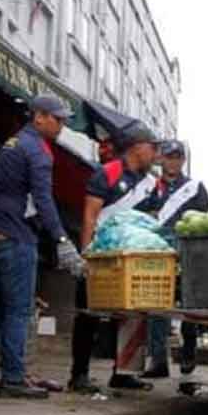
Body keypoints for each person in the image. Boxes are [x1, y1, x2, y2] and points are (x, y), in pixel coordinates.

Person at [0, 95, 82, 399]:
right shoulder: (37, 151)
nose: (62, 126)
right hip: (16, 237)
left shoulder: (13, 144)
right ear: (39, 116)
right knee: (18, 311)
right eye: (58, 119)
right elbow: (43, 199)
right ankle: (14, 379)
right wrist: (61, 239)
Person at [69, 123, 159, 394]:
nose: (155, 153)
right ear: (136, 147)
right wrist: (86, 255)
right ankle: (79, 375)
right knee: (88, 314)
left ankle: (124, 372)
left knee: (134, 313)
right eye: (152, 147)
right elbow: (90, 216)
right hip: (102, 254)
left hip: (132, 257)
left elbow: (151, 220)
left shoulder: (150, 183)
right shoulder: (106, 174)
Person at [142, 140, 208, 379]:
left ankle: (188, 352)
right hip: (157, 249)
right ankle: (157, 361)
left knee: (188, 302)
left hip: (187, 250)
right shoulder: (149, 186)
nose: (173, 161)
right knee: (157, 303)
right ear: (161, 159)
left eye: (177, 157)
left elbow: (202, 223)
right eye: (169, 156)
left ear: (183, 160)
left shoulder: (195, 188)